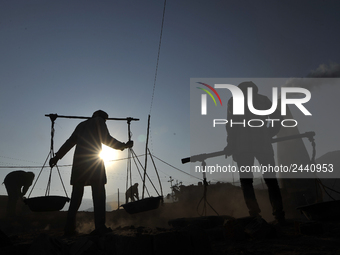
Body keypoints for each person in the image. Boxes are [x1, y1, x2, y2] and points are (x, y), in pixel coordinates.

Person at [49, 110, 133, 236]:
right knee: (99, 194)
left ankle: (69, 228)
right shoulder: (99, 121)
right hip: (93, 163)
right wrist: (124, 145)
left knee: (76, 196)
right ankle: (99, 226)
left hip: (79, 164)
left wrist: (57, 157)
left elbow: (69, 142)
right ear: (102, 117)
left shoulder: (81, 125)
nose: (105, 122)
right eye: (105, 120)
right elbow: (107, 139)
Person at [224, 82, 285, 224]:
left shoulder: (234, 101)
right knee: (271, 181)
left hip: (243, 148)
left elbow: (231, 124)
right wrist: (270, 132)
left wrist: (230, 145)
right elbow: (278, 116)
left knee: (246, 182)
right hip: (263, 145)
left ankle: (255, 215)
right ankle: (279, 214)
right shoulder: (263, 100)